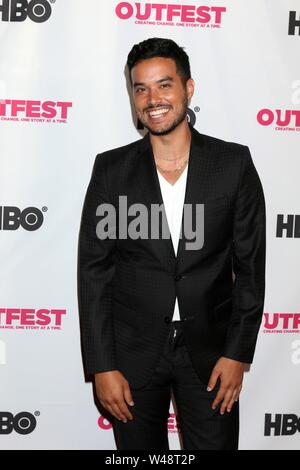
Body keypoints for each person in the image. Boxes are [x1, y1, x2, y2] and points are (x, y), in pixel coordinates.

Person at [78, 37, 266, 450]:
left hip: (212, 355)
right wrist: (102, 365)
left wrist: (238, 354)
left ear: (188, 88)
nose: (152, 99)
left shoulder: (234, 164)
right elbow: (94, 273)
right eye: (140, 88)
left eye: (164, 85)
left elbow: (251, 269)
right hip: (132, 354)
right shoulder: (111, 170)